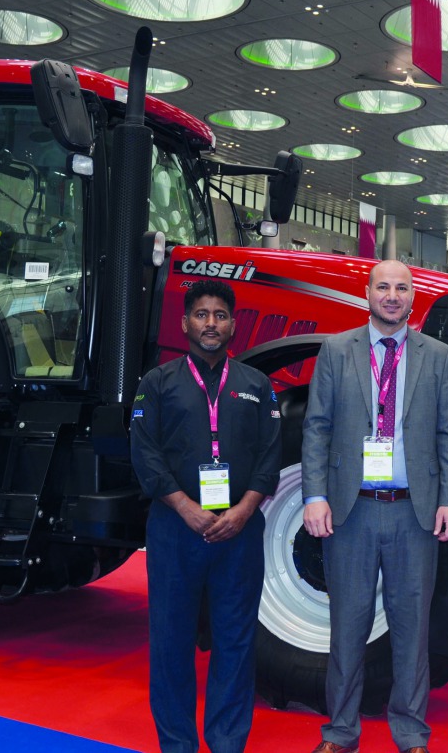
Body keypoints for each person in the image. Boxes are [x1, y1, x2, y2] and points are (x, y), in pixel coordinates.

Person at [302, 259, 448, 753]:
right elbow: (317, 427)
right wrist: (314, 495)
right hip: (351, 511)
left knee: (412, 629)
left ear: (412, 297)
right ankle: (340, 733)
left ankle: (411, 732)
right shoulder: (336, 350)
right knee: (347, 627)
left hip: (414, 513)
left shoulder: (437, 355)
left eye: (401, 288)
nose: (392, 295)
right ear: (367, 292)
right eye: (383, 287)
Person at [131, 279, 281, 753]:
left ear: (233, 324)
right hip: (176, 532)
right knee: (171, 644)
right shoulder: (157, 383)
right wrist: (184, 506)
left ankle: (227, 742)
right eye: (201, 314)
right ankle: (176, 744)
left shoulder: (257, 386)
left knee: (235, 644)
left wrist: (244, 509)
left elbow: (270, 455)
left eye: (219, 315)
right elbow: (145, 452)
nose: (210, 323)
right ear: (185, 323)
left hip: (239, 533)